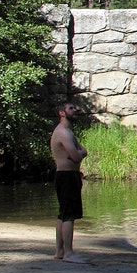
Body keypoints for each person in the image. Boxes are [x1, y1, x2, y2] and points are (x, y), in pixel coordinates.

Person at [51, 102, 88, 263]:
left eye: (75, 107)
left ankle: (59, 251)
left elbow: (83, 150)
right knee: (69, 216)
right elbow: (77, 156)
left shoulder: (68, 132)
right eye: (71, 108)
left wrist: (79, 152)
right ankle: (69, 253)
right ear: (62, 113)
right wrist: (78, 153)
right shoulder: (63, 133)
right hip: (66, 176)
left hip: (67, 175)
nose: (75, 110)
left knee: (63, 214)